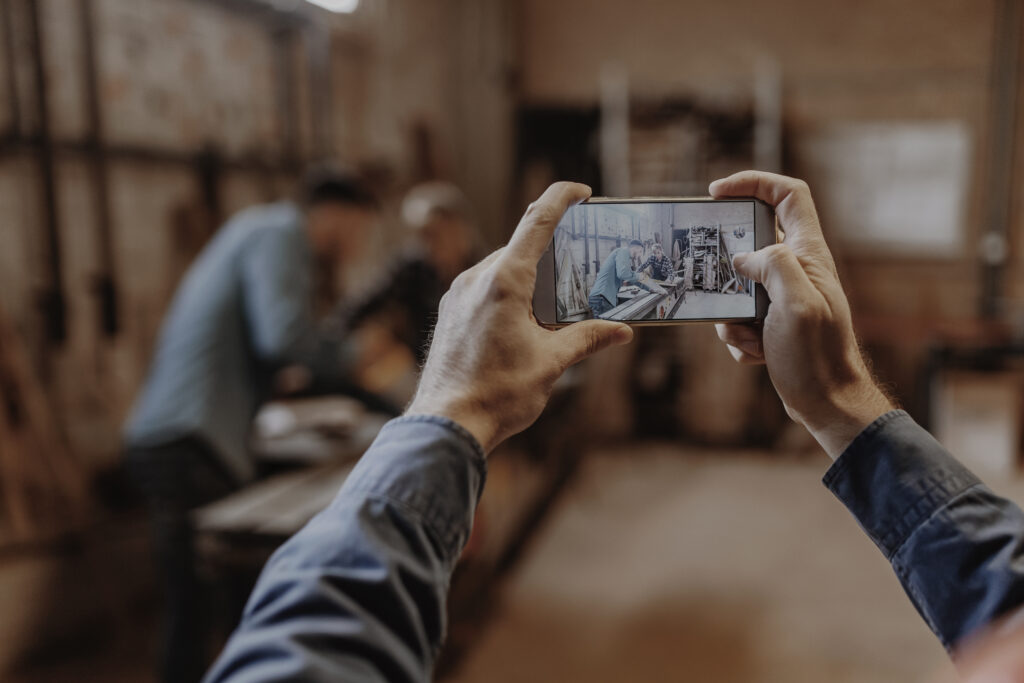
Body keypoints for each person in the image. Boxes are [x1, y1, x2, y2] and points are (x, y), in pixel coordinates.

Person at [203, 174, 1024, 683]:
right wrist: (843, 401)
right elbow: (1008, 590)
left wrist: (453, 409)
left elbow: (311, 656)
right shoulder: (402, 267)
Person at [123, 169, 378, 683]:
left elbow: (273, 350)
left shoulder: (255, 231)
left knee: (215, 608)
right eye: (358, 231)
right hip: (187, 442)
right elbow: (282, 336)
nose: (356, 245)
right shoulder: (278, 232)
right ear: (336, 215)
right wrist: (351, 354)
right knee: (198, 612)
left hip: (187, 440)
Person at [340, 181, 478, 364]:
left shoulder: (487, 269)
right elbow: (361, 305)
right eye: (421, 236)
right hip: (425, 369)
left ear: (458, 228)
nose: (426, 246)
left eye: (433, 234)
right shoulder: (412, 266)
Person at [588, 239, 660, 317]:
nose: (640, 255)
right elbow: (622, 274)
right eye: (640, 252)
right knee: (606, 328)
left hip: (602, 298)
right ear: (636, 248)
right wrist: (638, 275)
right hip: (602, 298)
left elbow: (632, 279)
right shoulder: (623, 251)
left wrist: (649, 289)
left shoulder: (625, 259)